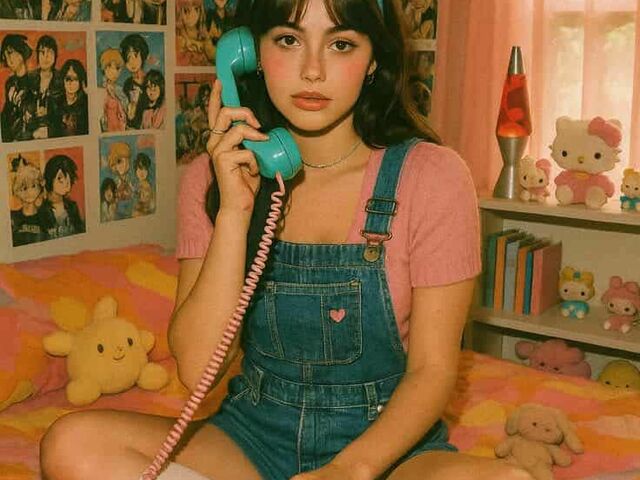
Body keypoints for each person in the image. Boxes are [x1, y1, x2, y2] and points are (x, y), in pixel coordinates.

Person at [40, 1, 534, 480]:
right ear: (250, 53)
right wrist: (234, 212)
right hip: (252, 436)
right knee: (73, 444)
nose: (312, 70)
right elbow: (197, 369)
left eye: (341, 44)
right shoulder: (209, 179)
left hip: (387, 449)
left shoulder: (434, 176)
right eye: (288, 40)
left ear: (373, 60)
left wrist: (348, 470)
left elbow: (432, 370)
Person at [39, 154, 85, 239]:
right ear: (49, 178)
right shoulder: (41, 211)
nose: (66, 183)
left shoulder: (73, 207)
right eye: (60, 178)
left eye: (69, 178)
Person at [51, 59, 89, 137]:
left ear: (80, 81)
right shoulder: (56, 103)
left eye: (75, 79)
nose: (71, 83)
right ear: (63, 80)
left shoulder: (86, 103)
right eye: (68, 79)